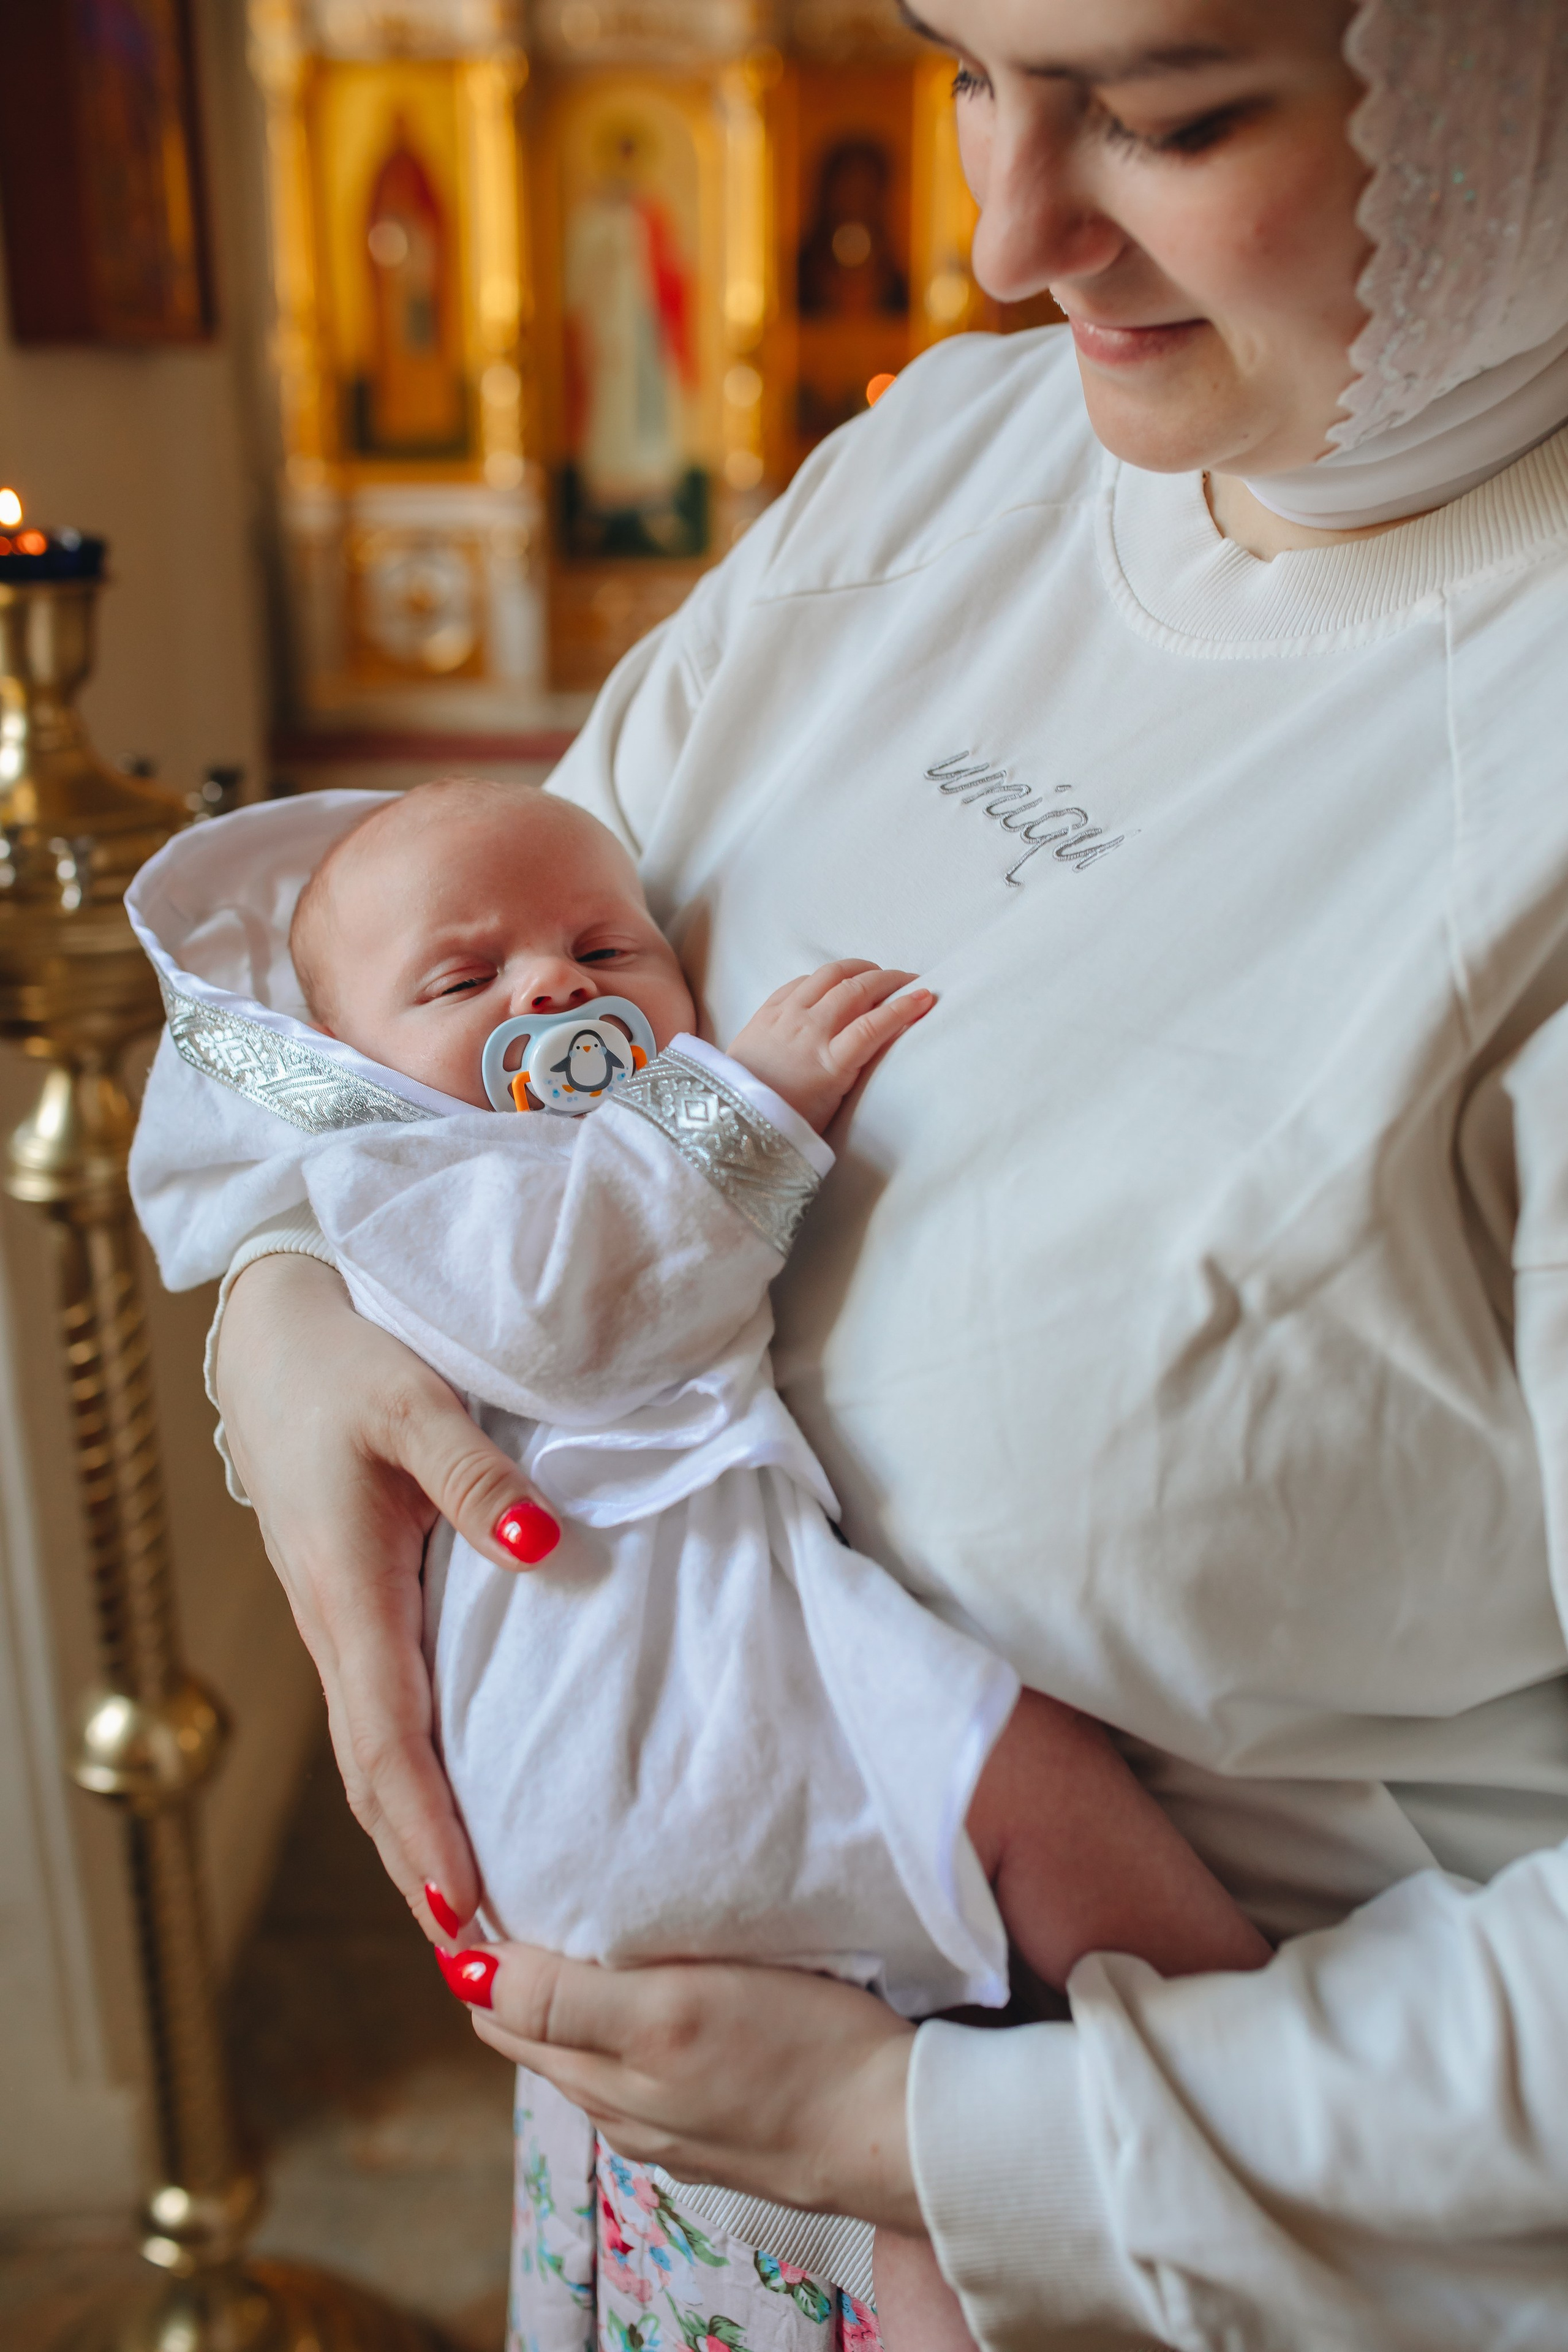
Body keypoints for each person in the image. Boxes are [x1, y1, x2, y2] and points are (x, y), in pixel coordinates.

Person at [195, 0, 1568, 2343]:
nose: (1004, 235)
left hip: (1220, 2240)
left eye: (1163, 113)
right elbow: (417, 981)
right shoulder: (945, 460)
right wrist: (295, 1296)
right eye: (963, 69)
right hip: (671, 2203)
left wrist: (932, 2138)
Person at [129, 775, 1268, 2044]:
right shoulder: (400, 1182)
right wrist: (740, 1107)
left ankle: (1123, 2130)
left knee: (871, 2164)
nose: (552, 989)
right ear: (348, 1060)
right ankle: (1248, 2056)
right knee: (1032, 1784)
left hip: (683, 1664)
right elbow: (566, 1326)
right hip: (616, 1710)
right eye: (462, 983)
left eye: (606, 948)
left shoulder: (564, 1139)